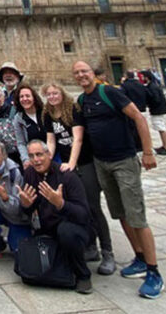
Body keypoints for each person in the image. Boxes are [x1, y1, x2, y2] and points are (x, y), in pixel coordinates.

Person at [71, 61, 163, 299]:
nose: (81, 75)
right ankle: (139, 257)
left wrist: (148, 152)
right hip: (101, 163)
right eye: (77, 73)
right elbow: (80, 135)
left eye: (84, 71)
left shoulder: (110, 92)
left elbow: (139, 117)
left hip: (124, 160)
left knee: (136, 216)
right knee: (120, 213)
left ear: (92, 74)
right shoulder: (82, 101)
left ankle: (154, 271)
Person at [40, 82, 115, 275]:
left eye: (55, 93)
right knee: (76, 207)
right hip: (66, 167)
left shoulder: (73, 109)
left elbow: (78, 138)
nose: (52, 97)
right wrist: (47, 159)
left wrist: (72, 163)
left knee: (92, 207)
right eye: (49, 94)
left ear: (62, 93)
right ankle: (90, 246)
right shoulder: (48, 113)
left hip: (84, 163)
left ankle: (107, 252)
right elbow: (51, 140)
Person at [18, 140, 94, 294]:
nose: (36, 160)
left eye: (39, 154)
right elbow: (30, 209)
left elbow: (84, 214)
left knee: (65, 231)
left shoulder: (67, 176)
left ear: (49, 154)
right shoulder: (30, 174)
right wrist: (26, 205)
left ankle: (83, 275)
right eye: (31, 156)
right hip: (46, 228)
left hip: (74, 228)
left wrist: (61, 204)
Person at [140, 70, 166, 156]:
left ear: (147, 77)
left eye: (143, 77)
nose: (142, 78)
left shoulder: (152, 87)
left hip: (158, 110)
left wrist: (148, 101)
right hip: (157, 109)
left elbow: (156, 99)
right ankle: (164, 145)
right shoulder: (151, 85)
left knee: (161, 128)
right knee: (160, 127)